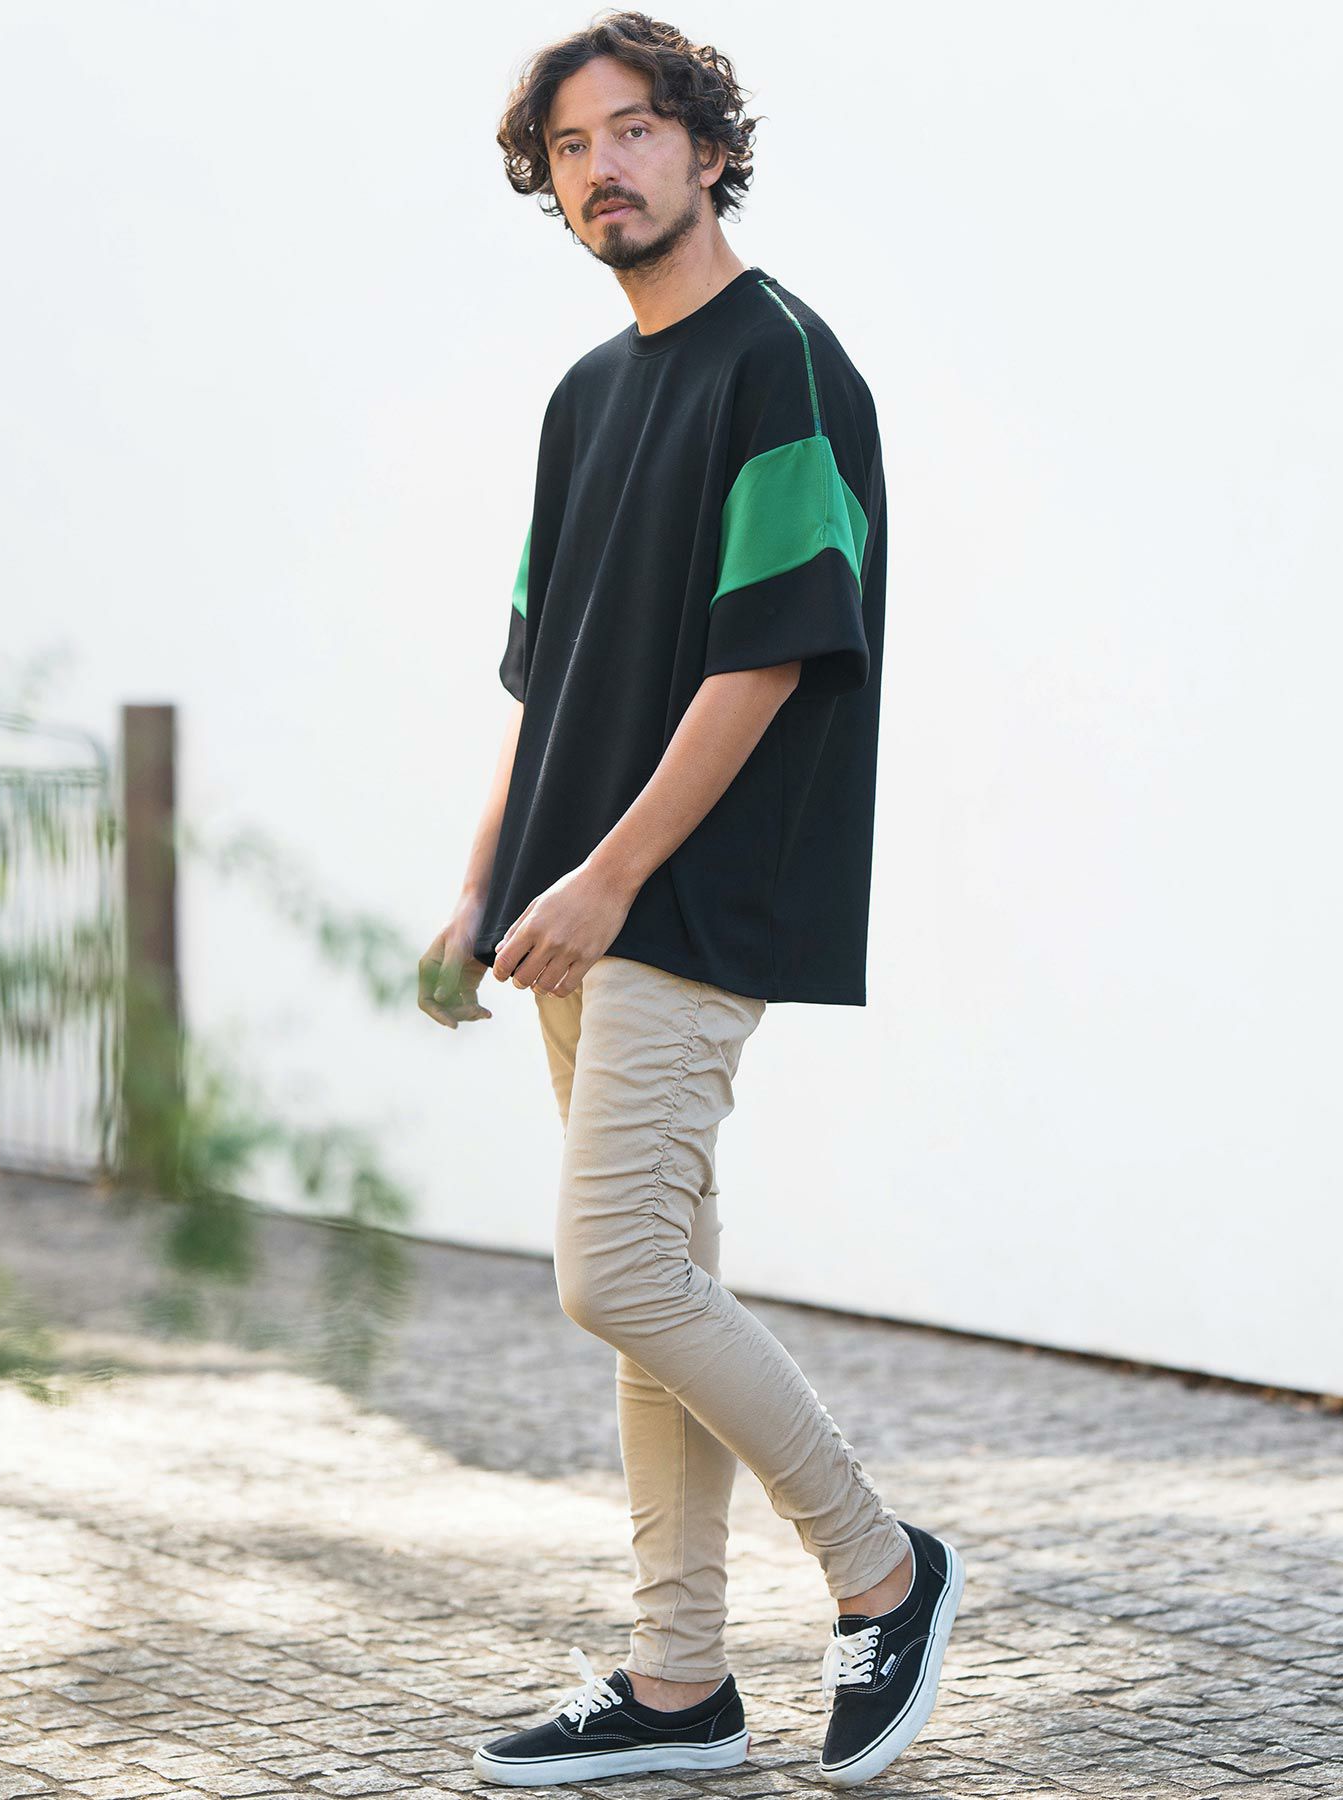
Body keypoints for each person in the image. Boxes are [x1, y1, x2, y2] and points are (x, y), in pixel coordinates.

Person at [418, 10, 964, 1788]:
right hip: (568, 910)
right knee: (661, 1293)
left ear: (713, 149)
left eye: (638, 130)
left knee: (620, 1274)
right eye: (573, 147)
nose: (606, 169)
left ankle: (883, 1570)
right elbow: (539, 674)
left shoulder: (782, 363)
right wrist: (488, 882)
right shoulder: (586, 396)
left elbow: (771, 658)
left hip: (684, 895)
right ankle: (677, 1685)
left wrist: (608, 873)